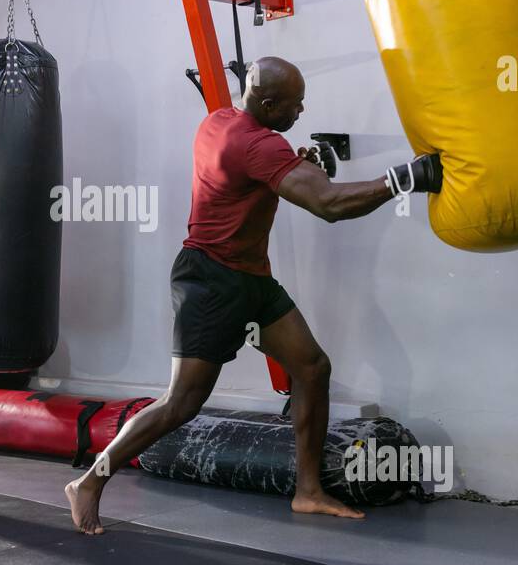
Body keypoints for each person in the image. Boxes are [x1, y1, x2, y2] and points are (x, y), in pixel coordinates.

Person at [66, 56, 441, 534]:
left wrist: (300, 164)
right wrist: (405, 178)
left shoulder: (218, 121)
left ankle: (308, 492)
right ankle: (90, 482)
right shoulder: (258, 145)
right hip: (210, 282)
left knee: (311, 367)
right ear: (266, 103)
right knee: (182, 403)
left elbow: (259, 174)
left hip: (252, 280)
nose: (301, 112)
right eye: (294, 105)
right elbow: (327, 205)